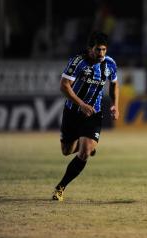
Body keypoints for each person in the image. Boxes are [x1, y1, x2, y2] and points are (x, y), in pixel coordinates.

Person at [52, 31, 119, 201]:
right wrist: (81, 104)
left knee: (85, 152)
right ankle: (86, 146)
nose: (101, 54)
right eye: (98, 50)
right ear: (90, 49)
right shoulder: (78, 62)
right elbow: (64, 86)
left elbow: (114, 84)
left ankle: (60, 187)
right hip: (72, 112)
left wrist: (115, 105)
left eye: (104, 50)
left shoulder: (110, 64)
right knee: (66, 151)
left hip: (94, 113)